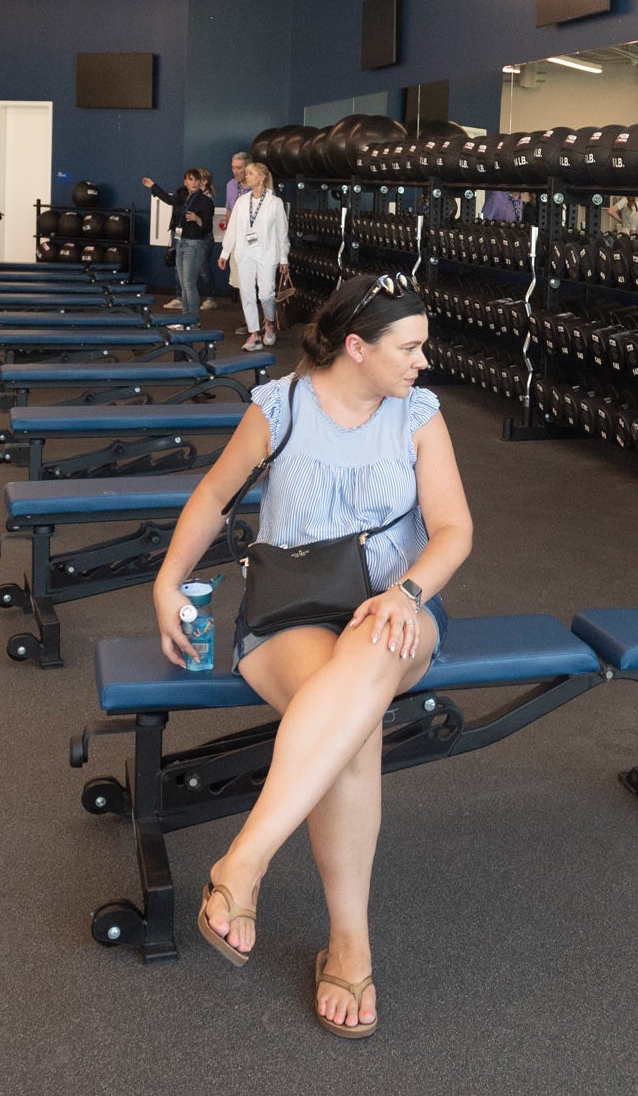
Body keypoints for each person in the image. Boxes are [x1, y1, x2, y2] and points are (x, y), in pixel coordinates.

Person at [151, 271, 473, 1037]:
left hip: (399, 617)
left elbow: (455, 529)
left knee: (368, 651)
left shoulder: (420, 417)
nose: (423, 361)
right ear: (356, 347)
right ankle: (349, 940)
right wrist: (167, 582)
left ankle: (246, 862)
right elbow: (212, 496)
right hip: (288, 616)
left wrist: (408, 592)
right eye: (410, 347)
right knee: (351, 726)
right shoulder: (281, 406)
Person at [221, 160, 290, 351]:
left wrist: (284, 258)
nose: (246, 176)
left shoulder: (275, 203)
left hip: (267, 254)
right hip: (245, 253)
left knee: (266, 293)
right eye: (247, 173)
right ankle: (254, 335)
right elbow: (233, 228)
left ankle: (269, 323)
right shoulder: (242, 202)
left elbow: (281, 232)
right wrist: (225, 252)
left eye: (251, 173)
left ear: (262, 178)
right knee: (247, 293)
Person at [144, 168, 217, 328]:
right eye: (190, 180)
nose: (193, 183)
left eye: (196, 180)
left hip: (194, 243)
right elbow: (167, 198)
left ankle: (193, 320)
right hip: (181, 242)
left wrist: (198, 219)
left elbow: (207, 226)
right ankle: (186, 319)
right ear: (185, 182)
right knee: (184, 284)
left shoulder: (206, 201)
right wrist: (153, 186)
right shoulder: (182, 197)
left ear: (201, 182)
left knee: (189, 284)